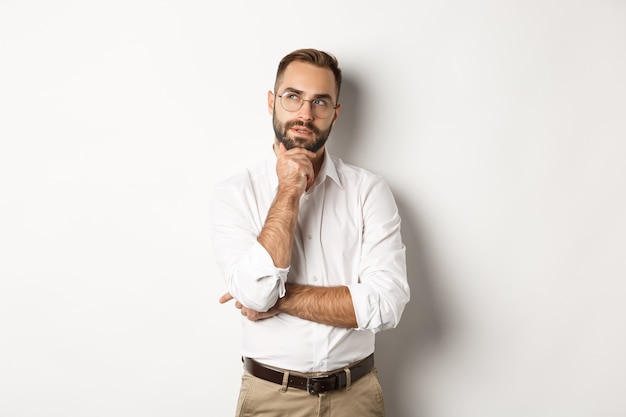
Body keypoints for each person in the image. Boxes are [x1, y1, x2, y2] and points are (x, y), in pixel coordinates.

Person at [210, 48, 410, 417]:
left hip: (356, 397)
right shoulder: (235, 193)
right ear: (272, 101)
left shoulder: (369, 191)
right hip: (271, 398)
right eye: (293, 97)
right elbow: (255, 292)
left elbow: (386, 305)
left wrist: (277, 299)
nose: (305, 113)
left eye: (320, 102)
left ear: (335, 113)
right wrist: (288, 189)